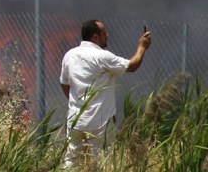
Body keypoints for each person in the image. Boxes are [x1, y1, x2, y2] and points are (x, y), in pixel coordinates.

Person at [60, 19, 151, 169]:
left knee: (71, 163)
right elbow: (132, 65)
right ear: (95, 37)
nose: (107, 35)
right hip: (99, 122)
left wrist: (76, 103)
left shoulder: (69, 55)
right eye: (104, 33)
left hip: (75, 120)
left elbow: (64, 83)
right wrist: (142, 47)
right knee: (100, 162)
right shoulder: (102, 56)